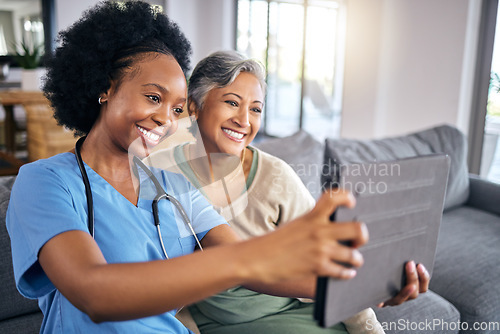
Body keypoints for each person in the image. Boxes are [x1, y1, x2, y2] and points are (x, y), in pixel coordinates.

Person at [6, 2, 371, 333]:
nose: (166, 119)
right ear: (106, 87)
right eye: (154, 97)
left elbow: (256, 271)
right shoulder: (44, 182)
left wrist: (361, 285)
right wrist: (252, 257)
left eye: (177, 108)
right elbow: (95, 293)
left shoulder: (175, 188)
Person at [148, 51, 430, 334]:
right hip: (207, 321)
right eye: (232, 103)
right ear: (195, 107)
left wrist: (368, 309)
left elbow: (330, 257)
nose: (244, 120)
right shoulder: (161, 169)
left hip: (287, 312)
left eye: (256, 109)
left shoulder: (276, 177)